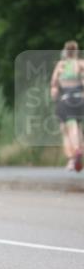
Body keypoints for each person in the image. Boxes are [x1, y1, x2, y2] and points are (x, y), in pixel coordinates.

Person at [50, 40, 84, 172]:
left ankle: (73, 156)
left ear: (65, 52)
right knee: (77, 127)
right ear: (76, 52)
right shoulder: (81, 64)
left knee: (67, 129)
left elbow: (54, 85)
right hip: (80, 99)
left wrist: (54, 96)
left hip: (66, 99)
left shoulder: (61, 65)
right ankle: (79, 150)